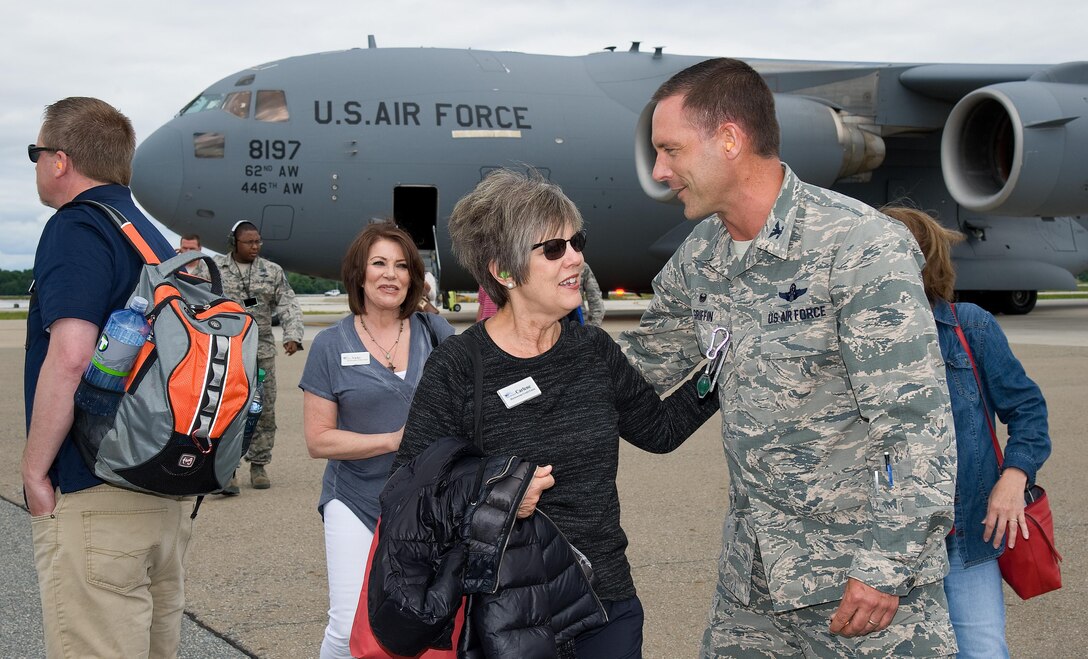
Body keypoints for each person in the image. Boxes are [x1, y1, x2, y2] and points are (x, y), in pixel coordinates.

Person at [619, 58, 958, 657]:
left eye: (670, 150)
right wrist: (517, 345)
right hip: (753, 581)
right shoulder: (702, 256)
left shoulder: (857, 245)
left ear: (729, 139)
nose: (659, 170)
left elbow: (915, 427)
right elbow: (634, 371)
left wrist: (885, 567)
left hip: (857, 581)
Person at [394, 168, 720, 658]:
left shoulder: (593, 349)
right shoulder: (460, 366)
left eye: (576, 241)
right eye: (553, 249)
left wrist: (723, 369)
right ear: (504, 272)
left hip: (606, 600)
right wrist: (498, 497)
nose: (576, 257)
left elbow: (659, 430)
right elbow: (407, 491)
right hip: (511, 613)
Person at [23, 97, 195, 657]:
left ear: (59, 160)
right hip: (160, 488)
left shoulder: (77, 227)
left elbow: (71, 356)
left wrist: (33, 471)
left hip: (96, 491)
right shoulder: (151, 238)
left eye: (36, 153)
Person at [883, 206, 1052, 659]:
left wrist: (1014, 477)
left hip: (966, 538)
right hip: (885, 545)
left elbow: (1028, 410)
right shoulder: (851, 337)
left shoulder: (968, 325)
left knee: (982, 652)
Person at [300, 222, 454, 659]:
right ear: (359, 275)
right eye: (380, 263)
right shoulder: (331, 345)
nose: (391, 275)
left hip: (427, 502)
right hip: (356, 498)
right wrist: (393, 440)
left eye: (402, 265)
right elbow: (318, 440)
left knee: (420, 622)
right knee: (349, 623)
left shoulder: (436, 333)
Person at [214, 221, 304, 491]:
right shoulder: (215, 270)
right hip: (227, 350)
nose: (255, 247)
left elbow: (288, 302)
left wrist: (293, 335)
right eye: (249, 242)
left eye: (258, 242)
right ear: (234, 244)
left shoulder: (271, 271)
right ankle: (227, 469)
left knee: (263, 409)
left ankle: (259, 465)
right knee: (227, 407)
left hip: (262, 350)